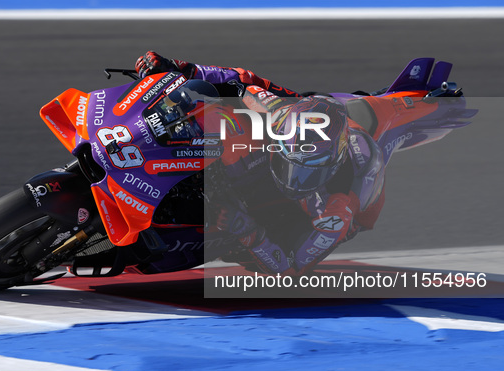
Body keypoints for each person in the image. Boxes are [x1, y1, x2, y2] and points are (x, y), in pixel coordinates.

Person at [135, 51, 386, 275]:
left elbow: (291, 269)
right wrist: (178, 68)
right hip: (305, 122)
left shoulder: (337, 211)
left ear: (330, 167)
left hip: (316, 213)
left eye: (307, 174)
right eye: (290, 164)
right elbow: (241, 79)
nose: (294, 180)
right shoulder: (279, 113)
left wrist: (248, 232)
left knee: (249, 248)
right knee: (220, 117)